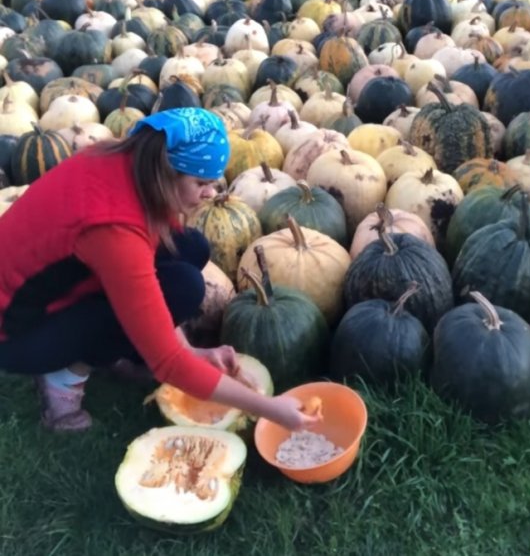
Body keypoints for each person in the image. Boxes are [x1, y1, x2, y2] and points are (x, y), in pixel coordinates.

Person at [0, 107, 318, 433]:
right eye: (201, 183)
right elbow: (168, 363)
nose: (211, 193)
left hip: (59, 279)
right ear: (166, 172)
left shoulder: (130, 161)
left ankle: (126, 346)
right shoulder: (114, 230)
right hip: (16, 333)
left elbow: (150, 255)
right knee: (179, 289)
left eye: (214, 182)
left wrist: (191, 350)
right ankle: (62, 377)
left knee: (190, 249)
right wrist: (272, 409)